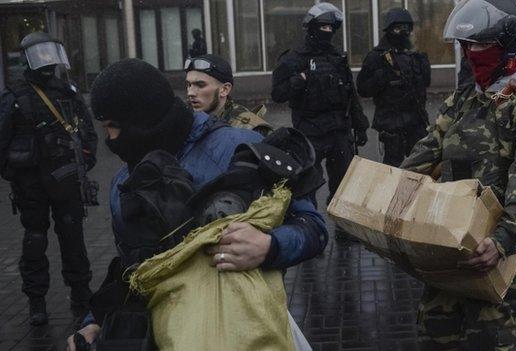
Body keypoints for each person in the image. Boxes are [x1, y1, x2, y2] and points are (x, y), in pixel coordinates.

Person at [65, 58, 328, 350]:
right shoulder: (122, 183)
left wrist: (269, 246)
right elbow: (130, 269)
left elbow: (313, 229)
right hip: (170, 335)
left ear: (142, 121)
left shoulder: (240, 149)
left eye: (113, 127)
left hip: (250, 330)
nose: (109, 139)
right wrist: (95, 320)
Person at [400, 0, 516, 349]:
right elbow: (428, 148)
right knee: (436, 332)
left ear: (507, 44)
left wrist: (503, 239)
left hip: (496, 247)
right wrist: (391, 194)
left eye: (481, 44)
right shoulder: (465, 97)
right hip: (451, 238)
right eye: (467, 45)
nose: (471, 52)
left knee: (492, 337)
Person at [0, 32, 97, 326]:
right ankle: (36, 300)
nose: (46, 60)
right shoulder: (16, 97)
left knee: (72, 239)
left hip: (64, 180)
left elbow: (88, 135)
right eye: (39, 54)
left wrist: (83, 162)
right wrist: (15, 172)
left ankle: (81, 294)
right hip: (31, 184)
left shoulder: (67, 92)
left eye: (49, 53)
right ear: (29, 58)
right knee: (35, 241)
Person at [271, 3, 370, 209]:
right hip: (310, 131)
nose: (328, 32)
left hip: (339, 131)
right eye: (323, 27)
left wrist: (359, 124)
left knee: (344, 184)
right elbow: (277, 94)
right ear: (311, 27)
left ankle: (342, 226)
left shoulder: (336, 57)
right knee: (307, 185)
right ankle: (310, 225)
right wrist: (298, 80)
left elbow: (350, 93)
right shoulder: (294, 58)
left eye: (331, 28)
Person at [357, 7, 431, 167]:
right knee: (391, 170)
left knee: (422, 166)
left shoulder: (414, 56)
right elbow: (362, 89)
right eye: (397, 28)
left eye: (406, 28)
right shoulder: (377, 57)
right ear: (389, 30)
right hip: (391, 125)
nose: (402, 33)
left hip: (416, 123)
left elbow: (424, 85)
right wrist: (380, 77)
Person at [185, 54, 272, 136]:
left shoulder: (249, 130)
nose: (190, 93)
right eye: (189, 85)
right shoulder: (185, 121)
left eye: (200, 85)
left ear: (224, 90)